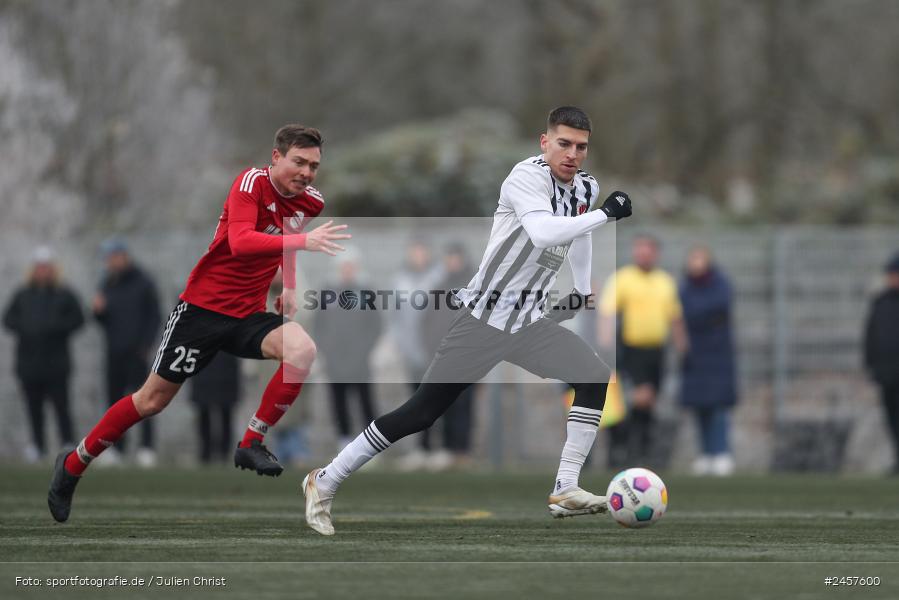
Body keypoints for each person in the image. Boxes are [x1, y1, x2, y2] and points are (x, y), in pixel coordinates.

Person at [302, 106, 633, 536]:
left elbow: (580, 232)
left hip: (526, 322)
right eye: (564, 143)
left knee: (593, 376)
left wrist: (584, 288)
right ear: (544, 141)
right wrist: (608, 214)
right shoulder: (525, 178)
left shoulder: (586, 187)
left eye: (581, 147)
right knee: (419, 414)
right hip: (482, 319)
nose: (572, 154)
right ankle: (323, 480)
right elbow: (546, 233)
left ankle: (566, 487)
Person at [48, 124, 352, 523]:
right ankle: (73, 464)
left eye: (313, 165)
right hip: (202, 311)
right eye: (299, 162)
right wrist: (300, 245)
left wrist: (290, 285)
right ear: (276, 157)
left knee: (302, 350)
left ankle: (251, 441)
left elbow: (288, 234)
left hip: (247, 313)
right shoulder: (250, 183)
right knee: (151, 401)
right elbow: (242, 242)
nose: (307, 173)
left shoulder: (310, 202)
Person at [598, 234, 687, 468]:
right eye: (639, 250)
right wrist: (605, 344)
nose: (643, 254)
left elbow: (675, 317)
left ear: (655, 254)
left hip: (657, 352)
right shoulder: (623, 278)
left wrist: (682, 346)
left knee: (649, 401)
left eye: (647, 250)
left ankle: (640, 451)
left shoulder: (664, 281)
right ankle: (626, 450)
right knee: (639, 398)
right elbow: (607, 312)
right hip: (631, 350)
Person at [3, 247, 84, 463]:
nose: (43, 272)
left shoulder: (64, 294)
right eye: (39, 267)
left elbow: (79, 319)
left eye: (46, 267)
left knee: (61, 405)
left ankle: (68, 444)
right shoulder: (22, 295)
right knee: (33, 407)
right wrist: (27, 327)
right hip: (29, 363)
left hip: (57, 363)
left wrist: (54, 327)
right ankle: (38, 445)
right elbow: (8, 319)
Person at [92, 239, 162, 467]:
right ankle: (116, 449)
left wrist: (146, 345)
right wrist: (98, 312)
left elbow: (155, 315)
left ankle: (146, 447)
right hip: (114, 352)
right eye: (108, 258)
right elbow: (103, 320)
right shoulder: (107, 283)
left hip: (137, 353)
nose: (111, 262)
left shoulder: (143, 282)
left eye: (114, 257)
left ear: (124, 256)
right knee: (114, 403)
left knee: (145, 401)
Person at [313, 251, 383, 449]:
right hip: (335, 362)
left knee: (365, 402)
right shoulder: (327, 293)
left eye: (351, 266)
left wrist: (363, 350)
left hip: (360, 361)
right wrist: (328, 351)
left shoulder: (366, 293)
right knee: (338, 402)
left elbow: (375, 326)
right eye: (344, 267)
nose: (347, 271)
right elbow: (319, 327)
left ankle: (371, 445)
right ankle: (344, 443)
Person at [419, 242, 479, 470]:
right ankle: (445, 449)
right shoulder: (439, 287)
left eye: (456, 257)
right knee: (443, 404)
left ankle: (462, 450)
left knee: (464, 405)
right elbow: (426, 323)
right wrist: (431, 350)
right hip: (442, 358)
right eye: (449, 257)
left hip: (468, 360)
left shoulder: (475, 288)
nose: (452, 261)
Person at [678, 246, 737, 476]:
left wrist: (696, 315)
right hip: (694, 354)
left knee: (719, 405)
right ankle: (704, 453)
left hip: (718, 353)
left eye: (700, 258)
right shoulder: (685, 286)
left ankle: (721, 452)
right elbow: (683, 310)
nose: (696, 262)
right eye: (693, 258)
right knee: (698, 405)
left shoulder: (720, 283)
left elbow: (716, 307)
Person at [390, 237, 442, 470]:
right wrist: (400, 345)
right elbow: (395, 317)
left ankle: (435, 449)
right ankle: (420, 449)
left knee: (436, 399)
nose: (418, 256)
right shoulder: (400, 280)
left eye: (422, 252)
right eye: (415, 252)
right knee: (415, 399)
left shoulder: (438, 277)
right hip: (412, 352)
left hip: (435, 350)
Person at [863, 252, 899, 475]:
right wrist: (871, 364)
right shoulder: (881, 301)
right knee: (893, 419)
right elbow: (871, 335)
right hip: (887, 372)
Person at [190, 351, 241, 464]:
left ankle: (224, 452)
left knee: (226, 412)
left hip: (226, 367)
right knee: (204, 411)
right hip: (203, 363)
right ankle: (205, 452)